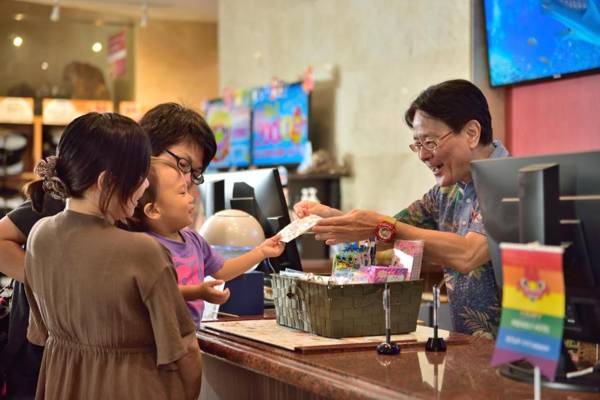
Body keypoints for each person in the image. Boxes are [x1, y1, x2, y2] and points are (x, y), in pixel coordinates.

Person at [0, 103, 214, 398]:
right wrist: (64, 284)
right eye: (182, 165)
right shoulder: (68, 202)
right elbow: (184, 351)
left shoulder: (131, 222)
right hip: (53, 368)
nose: (187, 180)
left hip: (67, 376)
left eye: (195, 173)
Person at [295, 79, 509, 336]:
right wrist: (337, 219)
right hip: (471, 351)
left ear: (472, 133)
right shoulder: (446, 192)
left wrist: (378, 226)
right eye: (418, 145)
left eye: (429, 142)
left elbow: (468, 255)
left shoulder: (508, 182)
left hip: (517, 360)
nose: (423, 155)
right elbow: (388, 234)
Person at [128, 157, 285, 327]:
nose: (190, 198)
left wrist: (261, 252)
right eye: (182, 193)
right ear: (153, 210)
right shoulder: (145, 246)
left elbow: (222, 270)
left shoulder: (193, 239)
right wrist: (197, 292)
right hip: (161, 338)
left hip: (191, 333)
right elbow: (156, 291)